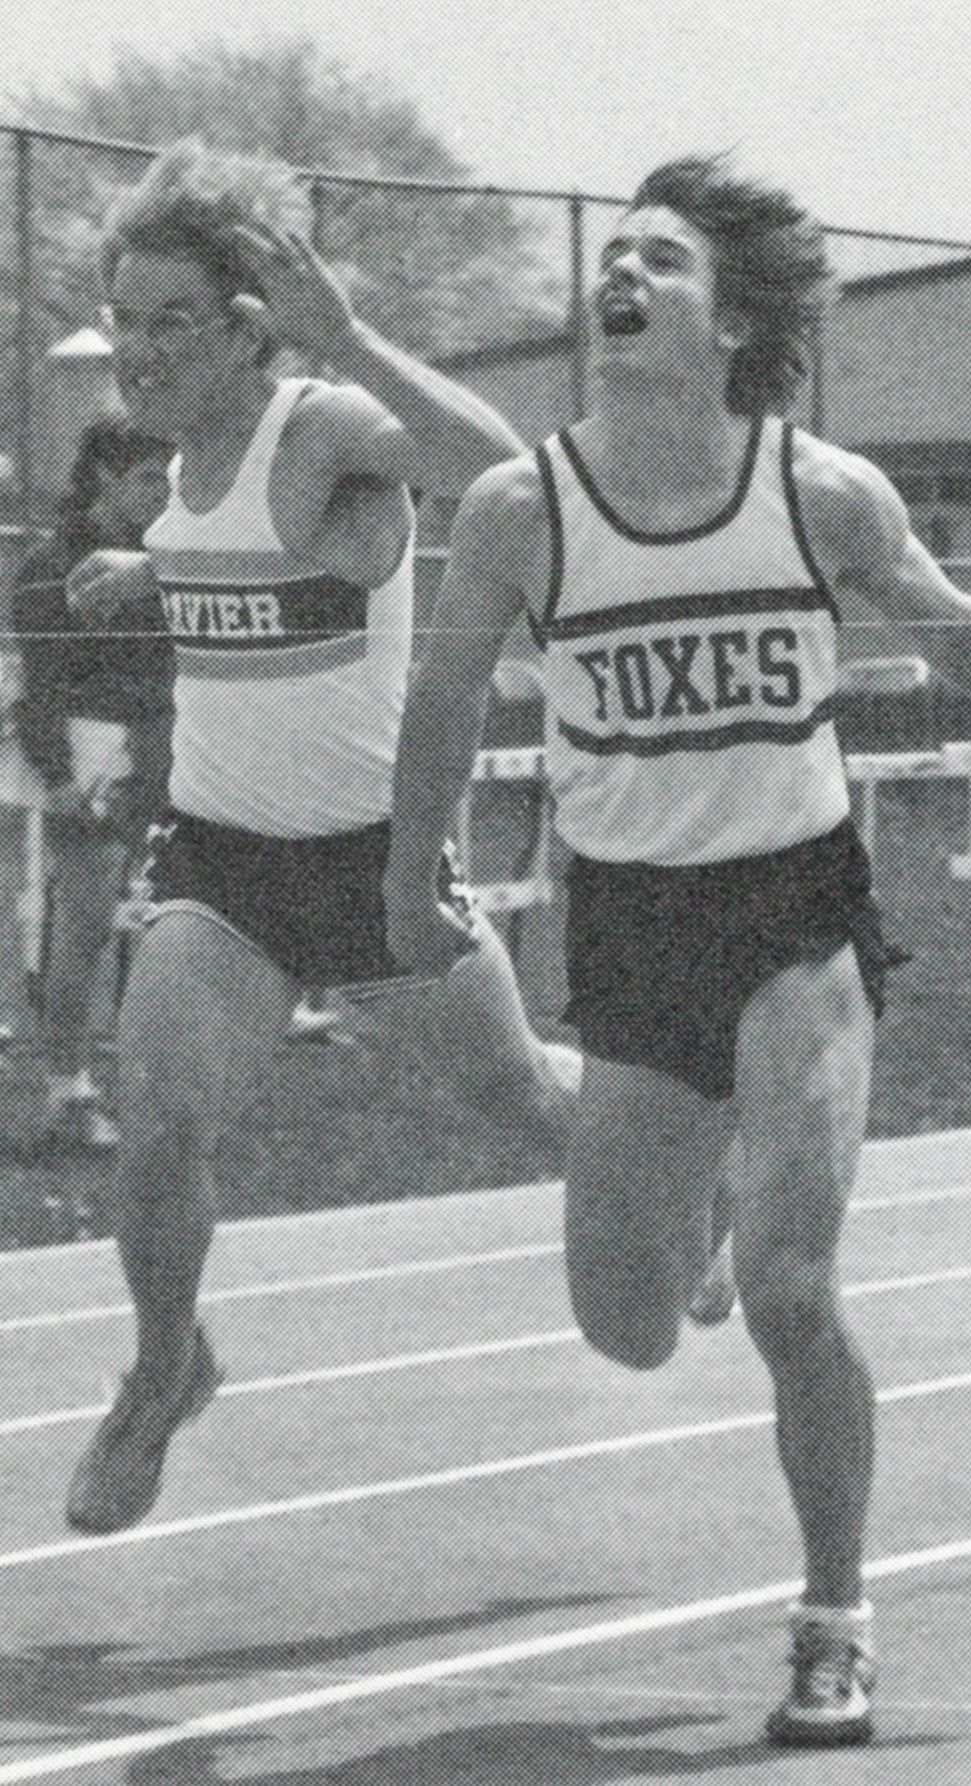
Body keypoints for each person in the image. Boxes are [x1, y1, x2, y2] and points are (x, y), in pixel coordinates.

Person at [381, 156, 971, 1747]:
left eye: (662, 261)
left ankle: (834, 1621)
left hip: (796, 913)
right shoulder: (519, 511)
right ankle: (703, 1190)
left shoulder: (817, 491)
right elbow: (447, 707)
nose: (624, 276)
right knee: (627, 1320)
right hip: (634, 925)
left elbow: (956, 629)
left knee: (796, 1294)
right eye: (616, 256)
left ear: (732, 320)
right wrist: (415, 879)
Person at [62, 139, 578, 1538]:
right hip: (223, 861)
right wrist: (148, 562)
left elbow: (511, 472)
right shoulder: (178, 458)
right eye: (125, 315)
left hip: (377, 857)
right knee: (160, 1118)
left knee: (524, 1101)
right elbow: (240, 554)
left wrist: (346, 332)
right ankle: (165, 1370)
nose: (137, 346)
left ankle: (671, 1155)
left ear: (248, 327)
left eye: (172, 320)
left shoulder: (326, 422)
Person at [11, 419, 173, 1150]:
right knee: (84, 933)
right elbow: (39, 686)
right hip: (93, 756)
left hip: (162, 753)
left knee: (167, 925)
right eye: (146, 475)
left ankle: (160, 1085)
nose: (161, 488)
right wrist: (62, 779)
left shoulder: (163, 557)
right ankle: (66, 1095)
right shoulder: (53, 564)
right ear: (104, 474)